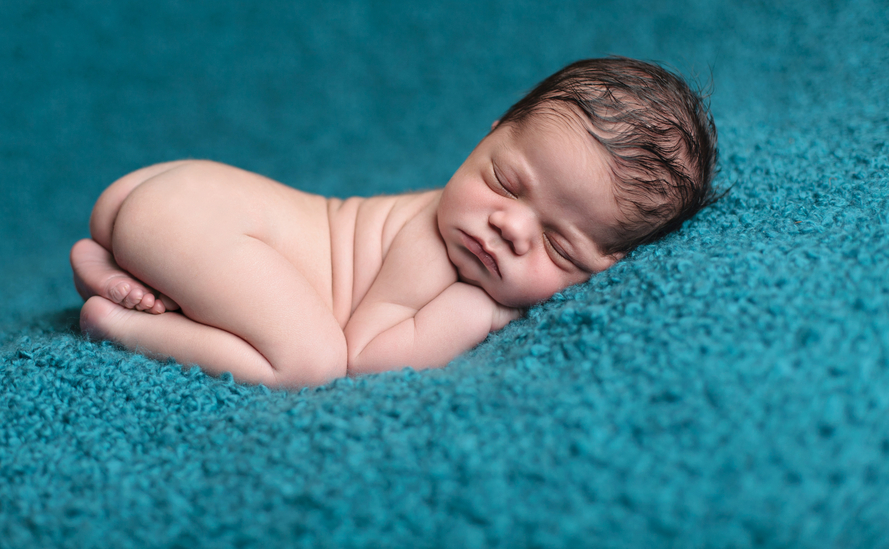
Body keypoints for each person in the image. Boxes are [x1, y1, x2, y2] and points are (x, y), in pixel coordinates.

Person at [70, 57, 719, 388]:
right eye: (502, 180)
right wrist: (480, 311)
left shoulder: (471, 228)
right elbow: (368, 355)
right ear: (487, 137)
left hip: (180, 197)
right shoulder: (432, 246)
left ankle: (120, 257)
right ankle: (117, 320)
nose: (507, 227)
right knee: (310, 360)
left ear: (607, 268)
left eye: (557, 244)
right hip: (197, 213)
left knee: (268, 308)